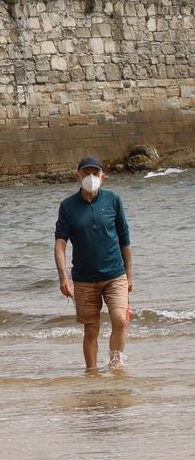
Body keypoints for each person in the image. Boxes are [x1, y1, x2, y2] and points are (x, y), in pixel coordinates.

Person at [54, 157, 134, 374]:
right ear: (77, 176)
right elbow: (60, 244)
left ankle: (116, 365)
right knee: (91, 329)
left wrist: (129, 274)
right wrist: (63, 277)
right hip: (84, 279)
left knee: (119, 319)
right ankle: (92, 373)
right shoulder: (68, 207)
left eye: (95, 174)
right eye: (86, 173)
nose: (91, 178)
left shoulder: (113, 200)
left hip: (115, 275)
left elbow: (124, 238)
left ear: (103, 177)